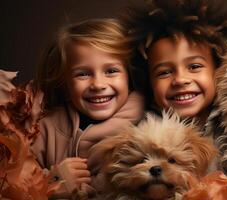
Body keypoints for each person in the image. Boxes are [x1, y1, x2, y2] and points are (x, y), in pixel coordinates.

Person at [31, 18, 144, 199]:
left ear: (129, 75)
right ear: (64, 82)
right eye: (83, 74)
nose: (98, 84)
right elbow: (13, 185)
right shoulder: (44, 129)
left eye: (111, 71)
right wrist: (51, 183)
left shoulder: (146, 121)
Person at [125, 0, 227, 127]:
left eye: (194, 67)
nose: (180, 80)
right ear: (149, 84)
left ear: (219, 69)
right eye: (164, 72)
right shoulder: (140, 133)